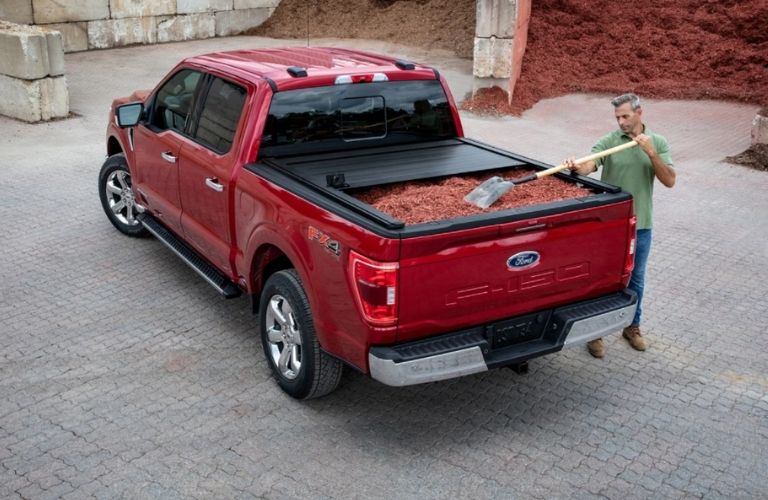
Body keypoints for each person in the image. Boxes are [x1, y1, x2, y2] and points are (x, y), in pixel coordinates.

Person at [565, 93, 676, 358]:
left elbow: (669, 180)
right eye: (617, 118)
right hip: (611, 226)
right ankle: (595, 333)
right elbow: (591, 164)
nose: (621, 122)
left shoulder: (657, 142)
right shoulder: (610, 141)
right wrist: (577, 167)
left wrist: (651, 153)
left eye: (625, 116)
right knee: (603, 278)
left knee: (636, 278)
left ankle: (632, 327)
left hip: (642, 225)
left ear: (640, 113)